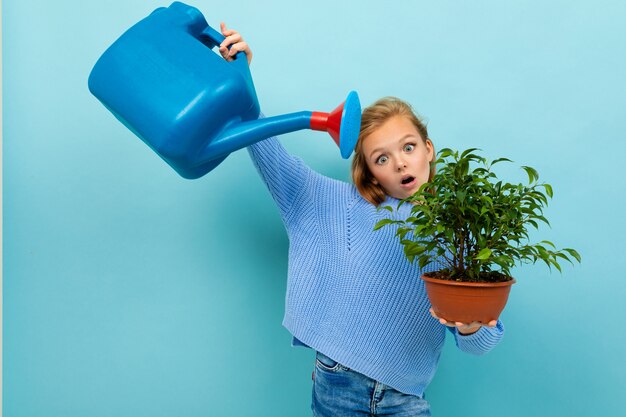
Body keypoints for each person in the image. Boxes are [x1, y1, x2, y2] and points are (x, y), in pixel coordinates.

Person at [218, 23, 504, 417]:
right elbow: (267, 147)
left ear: (428, 149)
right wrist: (242, 81)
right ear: (370, 172)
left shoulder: (458, 232)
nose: (400, 161)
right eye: (382, 158)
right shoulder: (334, 203)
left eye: (408, 147)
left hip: (406, 396)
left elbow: (478, 343)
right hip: (337, 384)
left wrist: (471, 325)